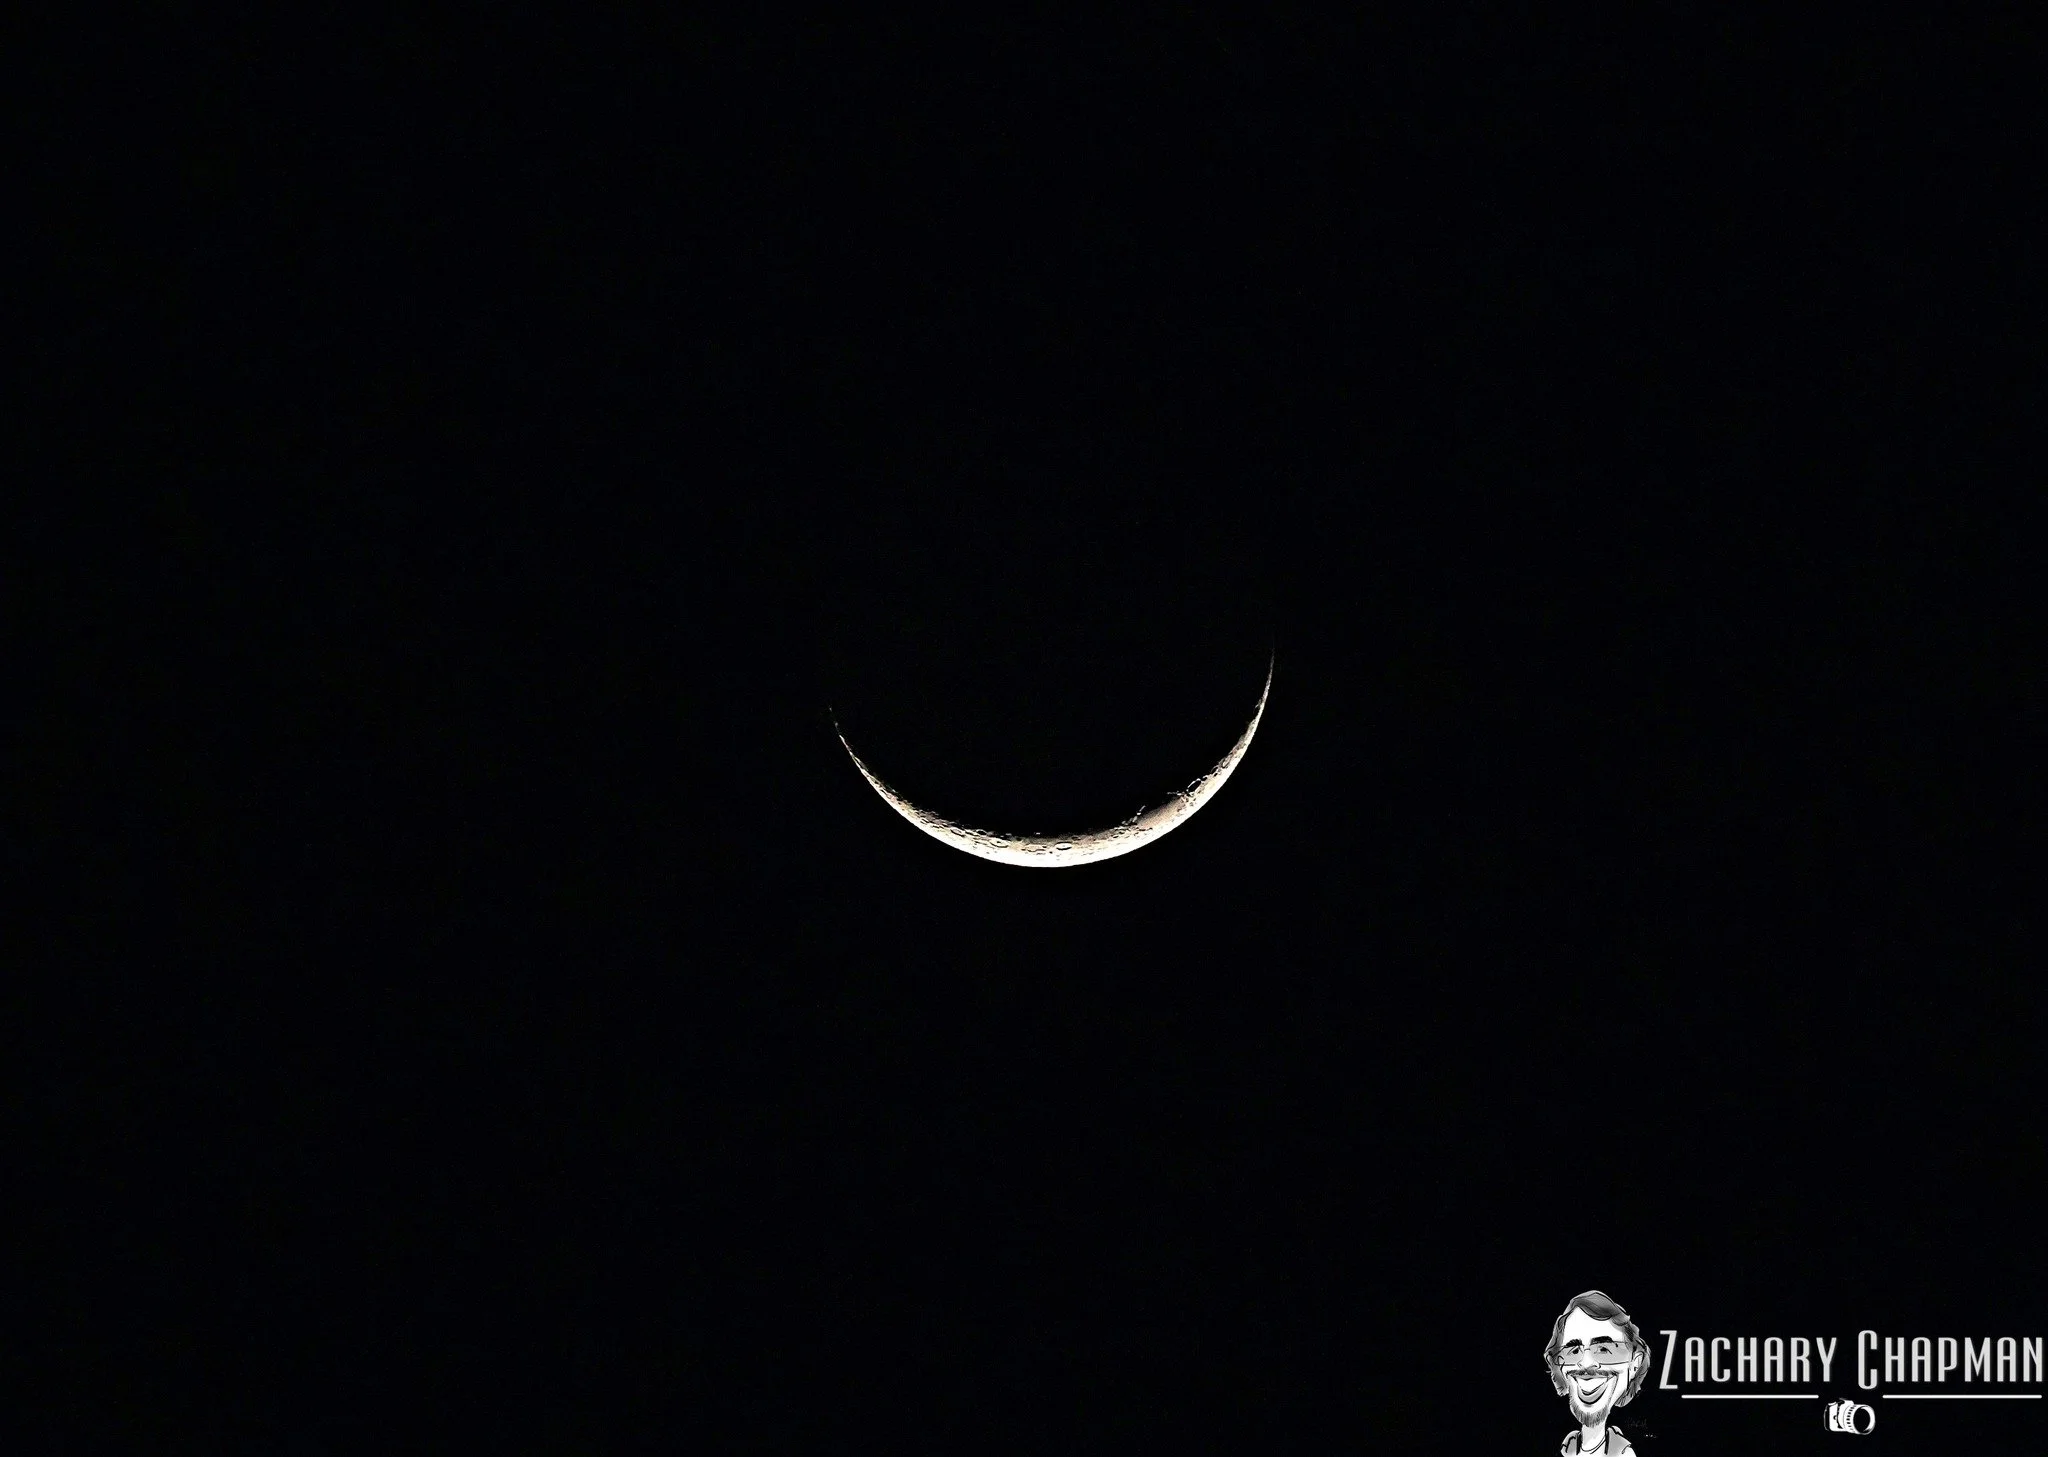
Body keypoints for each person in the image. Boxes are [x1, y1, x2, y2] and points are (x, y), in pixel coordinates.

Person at [1544, 1290, 1651, 1457]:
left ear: (1634, 1363)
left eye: (1604, 1349)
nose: (1585, 1363)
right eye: (1573, 1351)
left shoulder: (1623, 1452)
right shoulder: (1567, 1445)